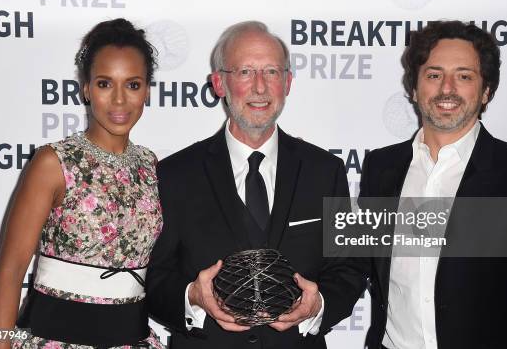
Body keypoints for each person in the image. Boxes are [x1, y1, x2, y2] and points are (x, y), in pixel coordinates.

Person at [146, 21, 365, 349]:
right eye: (245, 71)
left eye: (272, 72)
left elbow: (348, 269)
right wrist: (192, 297)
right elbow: (152, 276)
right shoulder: (175, 174)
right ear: (219, 83)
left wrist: (318, 305)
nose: (260, 87)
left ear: (288, 82)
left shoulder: (325, 171)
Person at [360, 20, 507, 349]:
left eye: (464, 76)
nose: (447, 88)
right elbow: (362, 263)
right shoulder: (381, 167)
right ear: (414, 88)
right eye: (434, 74)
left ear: (486, 91)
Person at [0, 18, 165, 348]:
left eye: (132, 84)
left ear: (147, 91)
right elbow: (10, 271)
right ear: (85, 88)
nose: (119, 100)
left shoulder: (151, 166)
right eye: (104, 83)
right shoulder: (52, 163)